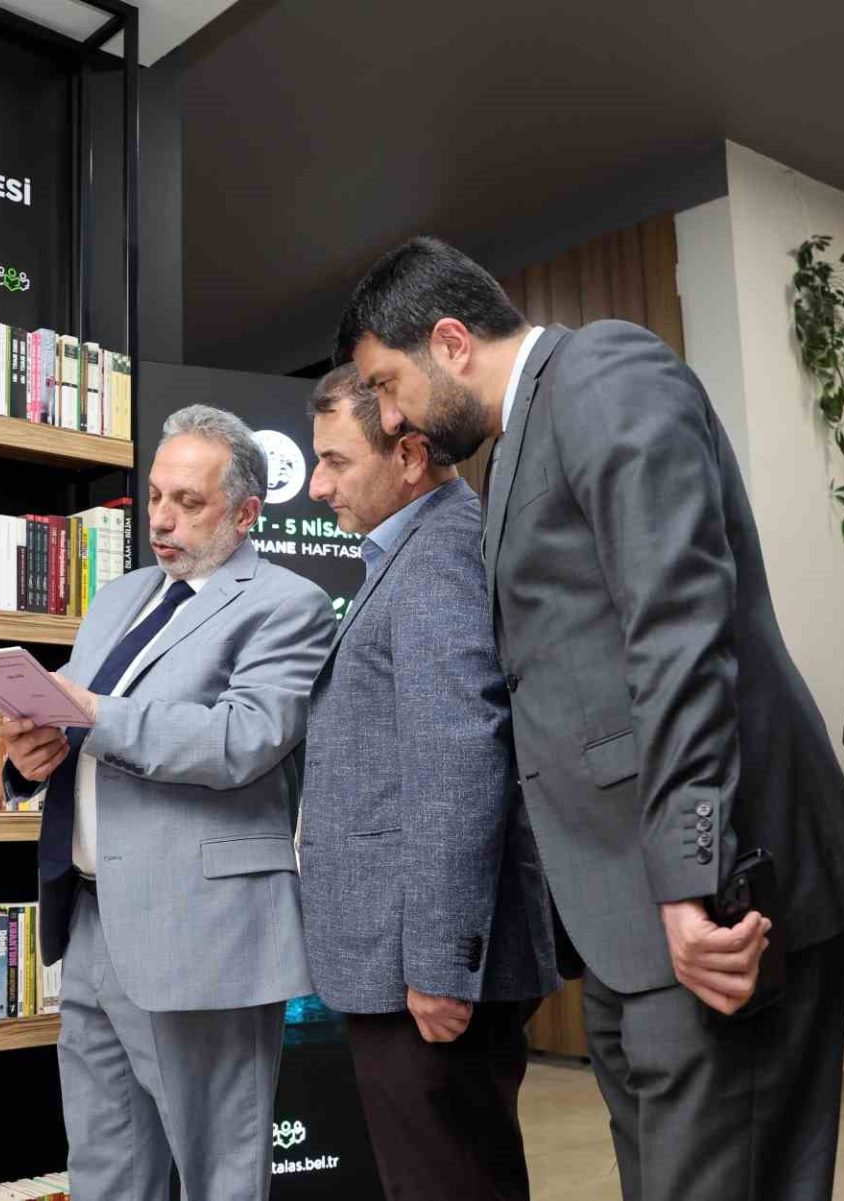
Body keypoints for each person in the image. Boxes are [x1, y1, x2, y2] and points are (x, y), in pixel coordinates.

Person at [335, 236, 844, 1201]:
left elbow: (680, 628)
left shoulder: (606, 368)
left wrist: (692, 876)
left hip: (708, 901)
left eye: (387, 385)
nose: (391, 417)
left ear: (450, 342)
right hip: (624, 922)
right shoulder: (514, 446)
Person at [2, 404, 338, 1201]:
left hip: (202, 931)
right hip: (90, 919)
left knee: (219, 1174)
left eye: (189, 502)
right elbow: (75, 727)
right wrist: (27, 760)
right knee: (106, 1169)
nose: (160, 518)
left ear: (246, 513)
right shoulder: (120, 598)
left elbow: (243, 738)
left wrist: (94, 712)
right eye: (156, 495)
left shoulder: (288, 604)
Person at [298, 364, 558, 1201]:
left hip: (426, 972)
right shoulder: (412, 551)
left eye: (335, 461)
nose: (316, 485)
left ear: (409, 456)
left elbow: (459, 763)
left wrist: (442, 966)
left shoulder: (440, 554)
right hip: (401, 961)